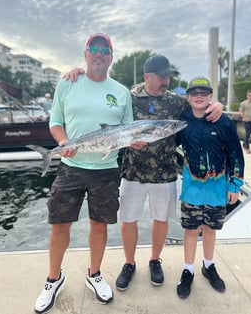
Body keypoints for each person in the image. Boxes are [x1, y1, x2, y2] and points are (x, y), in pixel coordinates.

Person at [65, 55, 223, 291]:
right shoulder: (128, 96)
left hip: (166, 171)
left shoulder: (176, 102)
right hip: (132, 172)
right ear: (147, 76)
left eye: (168, 76)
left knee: (161, 219)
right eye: (161, 76)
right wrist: (79, 74)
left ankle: (154, 260)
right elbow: (101, 101)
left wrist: (216, 104)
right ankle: (129, 263)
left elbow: (199, 106)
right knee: (129, 221)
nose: (166, 80)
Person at [34, 33, 134, 314]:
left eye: (105, 50)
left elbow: (127, 130)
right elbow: (56, 122)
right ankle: (54, 278)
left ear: (111, 57)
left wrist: (135, 140)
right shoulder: (68, 83)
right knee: (59, 224)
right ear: (86, 54)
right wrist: (63, 143)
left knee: (100, 225)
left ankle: (94, 274)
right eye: (95, 49)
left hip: (106, 170)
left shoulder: (122, 92)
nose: (99, 54)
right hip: (72, 166)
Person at [176, 77, 244, 299]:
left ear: (210, 96)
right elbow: (167, 143)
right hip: (191, 188)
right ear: (188, 97)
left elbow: (235, 153)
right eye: (194, 93)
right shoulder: (182, 121)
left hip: (217, 188)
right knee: (190, 230)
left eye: (203, 93)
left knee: (211, 229)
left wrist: (235, 184)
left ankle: (208, 265)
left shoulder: (222, 121)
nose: (198, 96)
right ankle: (188, 269)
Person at [239, 89, 251, 154]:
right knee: (248, 134)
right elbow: (240, 112)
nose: (250, 96)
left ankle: (244, 144)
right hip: (247, 121)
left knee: (250, 134)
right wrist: (246, 118)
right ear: (247, 96)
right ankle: (247, 148)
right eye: (249, 95)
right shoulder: (243, 103)